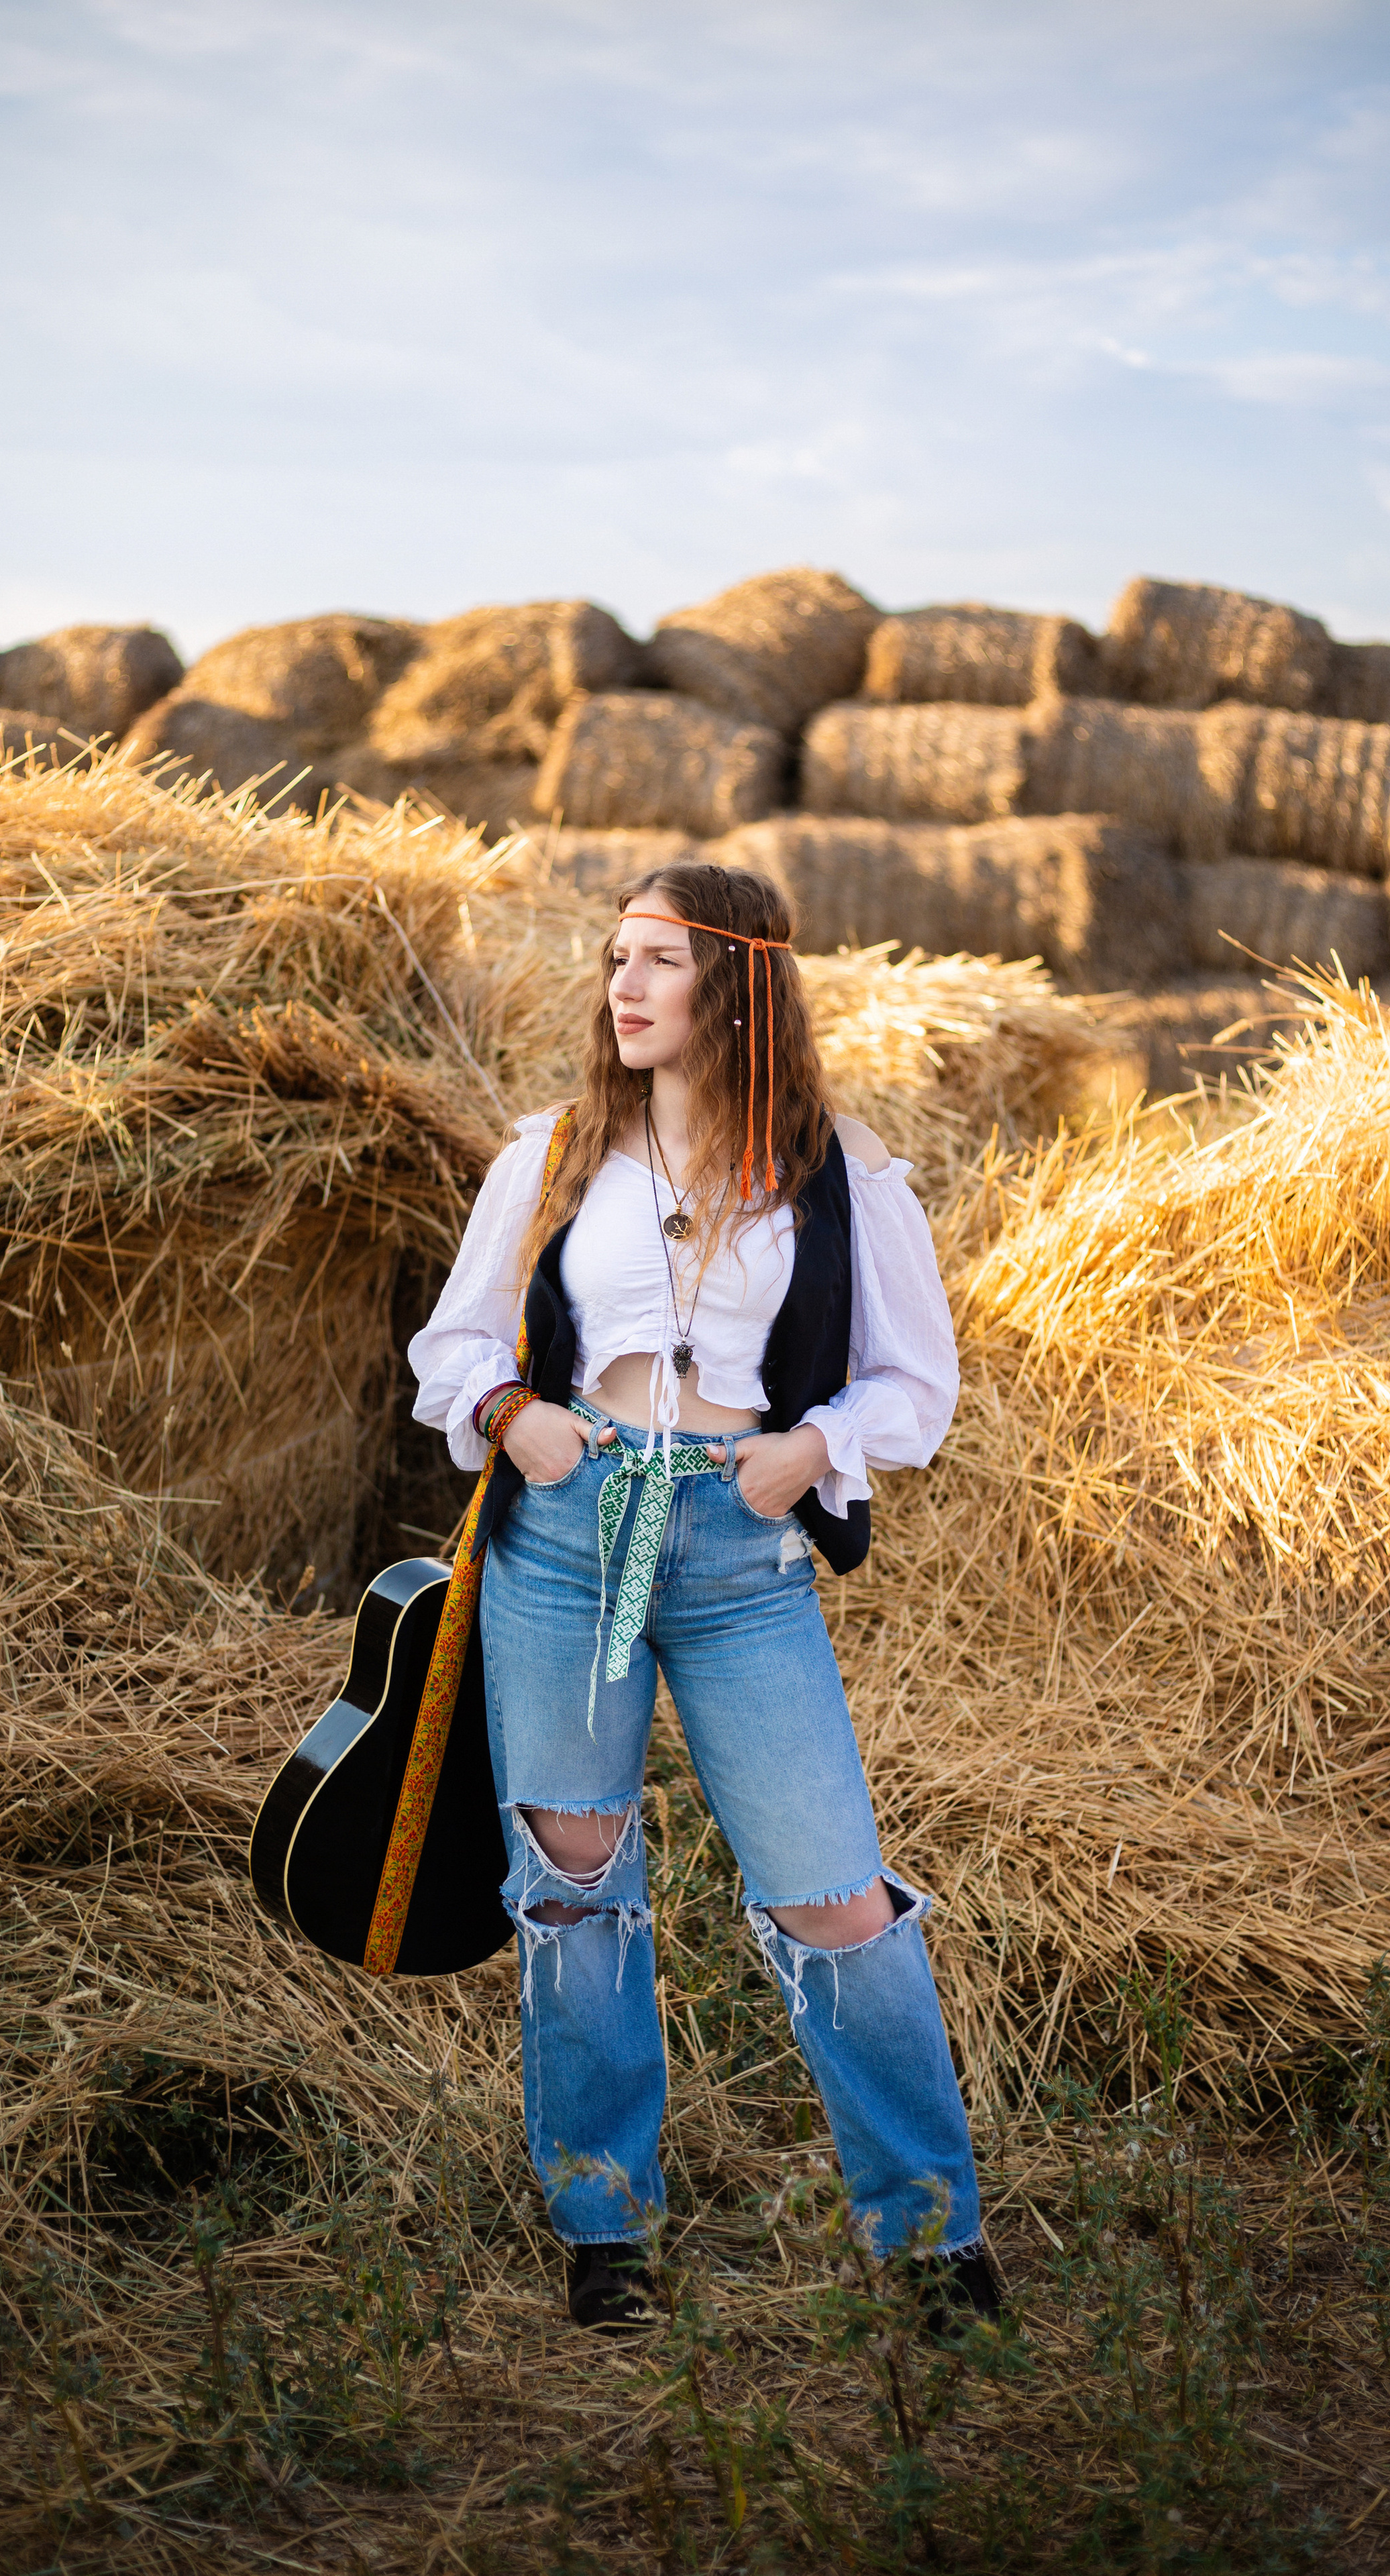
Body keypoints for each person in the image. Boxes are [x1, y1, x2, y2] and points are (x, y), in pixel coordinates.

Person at [409, 860, 998, 2332]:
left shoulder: (839, 1174)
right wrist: (505, 1415)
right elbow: (453, 1343)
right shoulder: (549, 1156)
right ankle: (604, 2231)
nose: (621, 983)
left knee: (834, 1898)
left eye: (657, 960)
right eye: (615, 956)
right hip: (564, 1534)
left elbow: (914, 1385)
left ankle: (929, 2241)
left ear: (734, 983)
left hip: (741, 1563)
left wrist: (809, 1449)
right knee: (576, 1888)